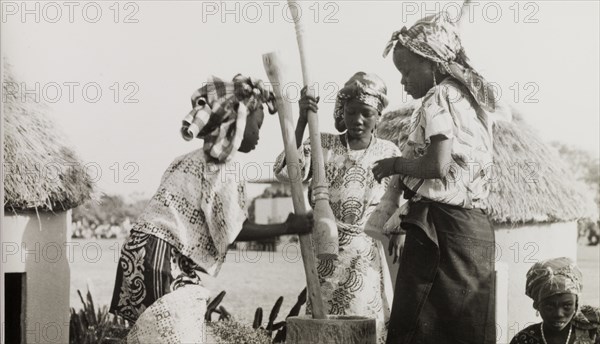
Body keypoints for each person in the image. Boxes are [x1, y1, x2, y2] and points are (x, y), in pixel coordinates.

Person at [109, 75, 313, 323]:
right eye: (256, 126)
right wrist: (288, 227)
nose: (258, 135)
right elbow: (234, 230)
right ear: (237, 121)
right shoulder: (223, 166)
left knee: (153, 332)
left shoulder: (187, 159)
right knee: (176, 332)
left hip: (136, 253)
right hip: (161, 258)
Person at [372, 12, 499, 343]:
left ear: (432, 63)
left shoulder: (438, 97)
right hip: (474, 229)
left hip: (439, 230)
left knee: (416, 326)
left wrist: (395, 165)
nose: (403, 81)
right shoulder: (474, 101)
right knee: (465, 326)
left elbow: (437, 165)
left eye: (407, 70)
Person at [274, 72, 400, 343]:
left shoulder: (389, 153)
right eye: (351, 112)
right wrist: (300, 120)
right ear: (342, 112)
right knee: (324, 329)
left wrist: (399, 232)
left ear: (378, 115)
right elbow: (288, 173)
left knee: (364, 329)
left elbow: (400, 201)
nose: (357, 120)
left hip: (365, 256)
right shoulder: (322, 145)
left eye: (366, 113)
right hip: (326, 253)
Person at [510, 257, 600, 344]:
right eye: (549, 306)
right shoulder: (523, 340)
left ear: (576, 304)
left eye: (567, 306)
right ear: (536, 304)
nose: (558, 314)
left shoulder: (594, 335)